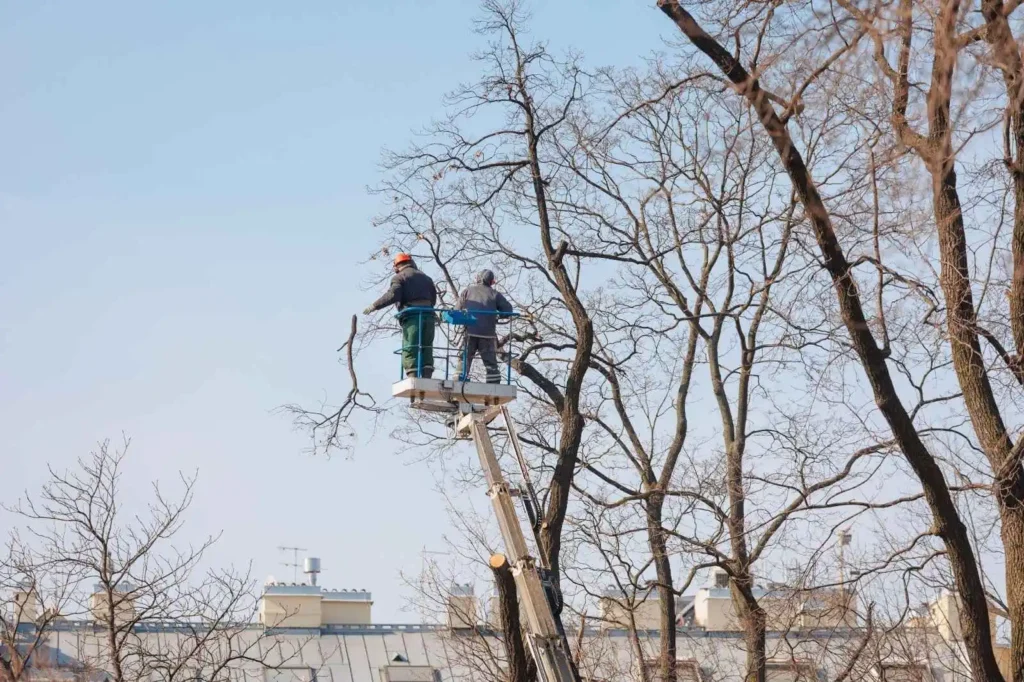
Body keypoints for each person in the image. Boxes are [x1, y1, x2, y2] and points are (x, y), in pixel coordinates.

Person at [363, 253, 437, 379]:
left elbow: (393, 295)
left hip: (413, 317)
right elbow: (433, 299)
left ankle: (412, 378)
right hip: (429, 316)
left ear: (397, 266)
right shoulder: (427, 278)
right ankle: (427, 377)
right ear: (412, 263)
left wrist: (374, 306)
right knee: (427, 347)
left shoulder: (399, 277)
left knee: (410, 346)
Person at [456, 269, 513, 383]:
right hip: (487, 334)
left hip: (470, 332)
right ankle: (494, 382)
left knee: (464, 358)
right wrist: (499, 315)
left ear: (478, 278)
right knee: (490, 362)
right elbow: (508, 310)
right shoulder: (495, 294)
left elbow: (457, 310)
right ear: (491, 282)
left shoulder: (467, 291)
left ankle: (460, 378)